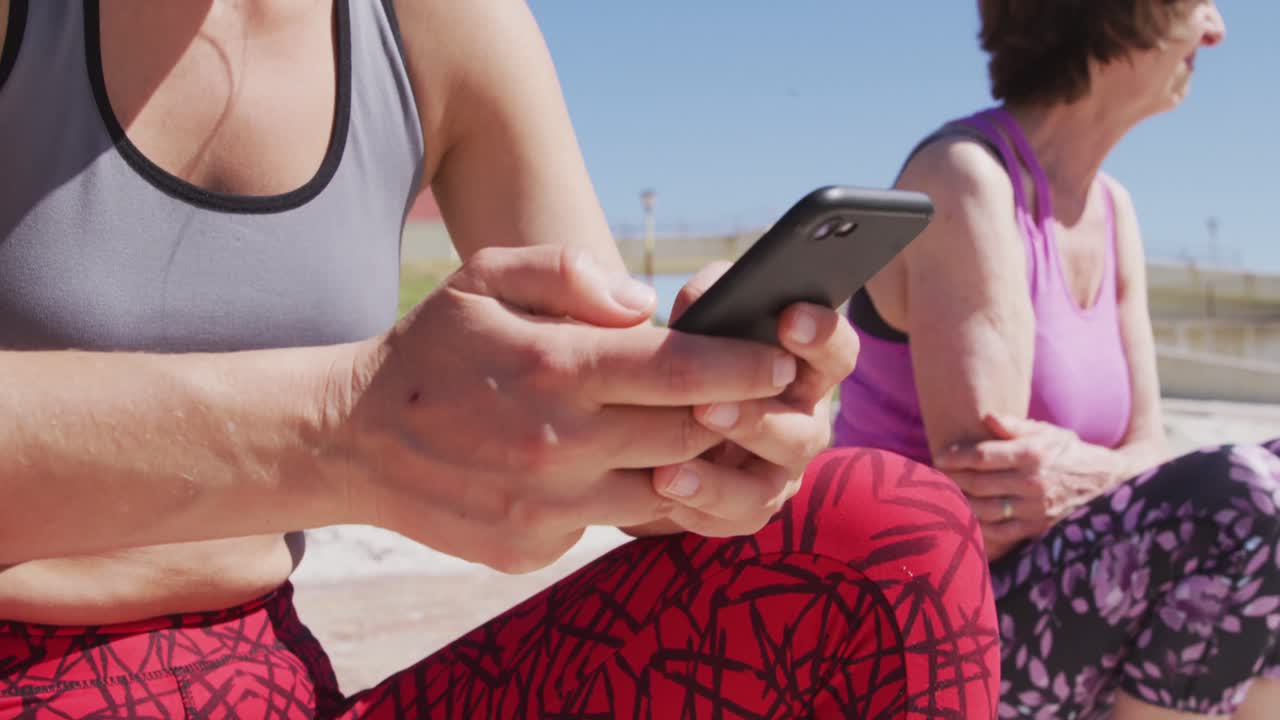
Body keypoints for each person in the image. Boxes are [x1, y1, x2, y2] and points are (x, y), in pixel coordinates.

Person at [0, 1, 1001, 717]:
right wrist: (346, 431)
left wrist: (709, 431)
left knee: (881, 534)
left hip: (263, 682)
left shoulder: (436, 23)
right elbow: (365, 426)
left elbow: (611, 432)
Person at [832, 1, 1280, 718]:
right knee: (1244, 496)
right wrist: (1129, 476)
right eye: (1197, 2)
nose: (1218, 28)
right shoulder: (964, 179)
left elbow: (1146, 448)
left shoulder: (1112, 208)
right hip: (921, 637)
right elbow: (999, 491)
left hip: (1050, 610)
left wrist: (1096, 472)